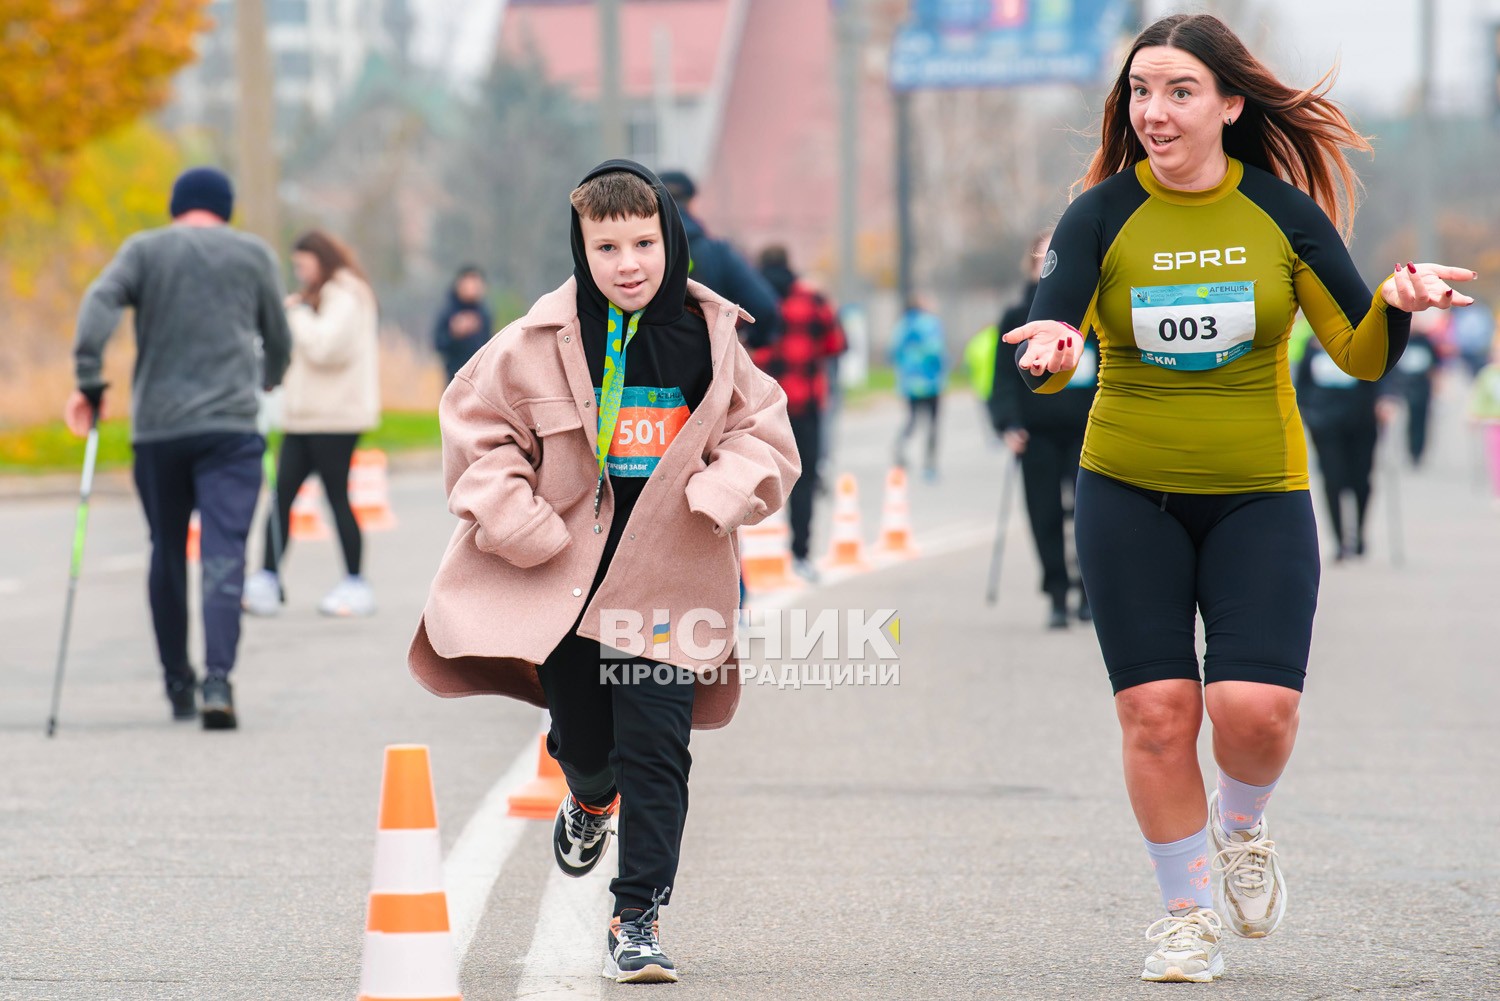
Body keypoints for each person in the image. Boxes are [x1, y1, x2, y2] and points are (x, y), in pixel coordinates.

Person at [1002, 14, 1475, 983]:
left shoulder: (1281, 214)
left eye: (1179, 91)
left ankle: (1244, 827)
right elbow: (1050, 342)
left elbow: (1358, 354)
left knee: (1253, 710)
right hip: (1126, 486)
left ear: (1228, 104)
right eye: (1140, 91)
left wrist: (1394, 305)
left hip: (1259, 489)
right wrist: (1051, 354)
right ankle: (1185, 915)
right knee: (1157, 711)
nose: (1154, 111)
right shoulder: (1100, 215)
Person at [407, 160, 798, 984]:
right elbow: (476, 432)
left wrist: (720, 490)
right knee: (588, 742)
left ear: (671, 240)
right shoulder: (534, 345)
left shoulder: (710, 339)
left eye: (644, 243)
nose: (628, 264)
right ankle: (588, 797)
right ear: (581, 250)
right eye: (607, 247)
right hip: (566, 585)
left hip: (668, 580)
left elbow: (763, 433)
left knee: (658, 747)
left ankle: (638, 915)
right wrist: (523, 523)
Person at [66, 166, 291, 730]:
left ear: (175, 207)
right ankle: (218, 681)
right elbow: (279, 336)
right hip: (231, 430)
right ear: (226, 209)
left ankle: (177, 684)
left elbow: (99, 301)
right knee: (222, 553)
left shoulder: (144, 250)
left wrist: (89, 379)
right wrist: (269, 377)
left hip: (159, 430)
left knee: (165, 549)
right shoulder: (253, 255)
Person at [243, 230, 381, 619]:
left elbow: (325, 347)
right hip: (304, 418)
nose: (300, 272)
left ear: (322, 259)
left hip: (335, 418)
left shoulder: (347, 294)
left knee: (336, 496)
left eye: (304, 264)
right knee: (282, 496)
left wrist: (295, 314)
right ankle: (267, 579)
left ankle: (355, 582)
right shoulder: (318, 296)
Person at [989, 228, 1097, 628]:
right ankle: (1056, 594)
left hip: (1088, 430)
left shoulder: (1092, 313)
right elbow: (1002, 379)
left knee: (1090, 513)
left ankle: (1089, 591)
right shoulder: (1016, 317)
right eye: (1044, 257)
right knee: (1044, 513)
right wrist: (1008, 423)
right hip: (1037, 434)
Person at [753, 245, 848, 581]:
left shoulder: (749, 299)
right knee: (804, 482)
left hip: (758, 408)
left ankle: (742, 560)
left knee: (747, 479)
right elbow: (837, 344)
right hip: (804, 405)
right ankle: (801, 554)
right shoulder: (813, 300)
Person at [658, 169, 783, 349]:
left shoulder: (638, 253)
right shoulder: (717, 252)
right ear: (693, 203)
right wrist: (749, 342)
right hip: (708, 358)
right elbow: (765, 308)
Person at [1292, 315, 1381, 561]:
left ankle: (1359, 533)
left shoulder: (1362, 339)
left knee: (1361, 481)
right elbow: (1302, 386)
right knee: (1333, 480)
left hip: (1361, 422)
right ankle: (1340, 541)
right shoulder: (1312, 345)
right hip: (1325, 425)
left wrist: (1385, 400)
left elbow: (1380, 374)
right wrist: (1308, 414)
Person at [889, 296, 946, 480]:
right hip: (930, 382)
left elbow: (893, 352)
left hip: (910, 383)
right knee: (932, 424)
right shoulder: (930, 323)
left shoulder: (902, 325)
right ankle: (930, 465)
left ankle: (900, 448)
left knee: (912, 420)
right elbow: (936, 350)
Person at [433, 264, 493, 382]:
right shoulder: (449, 312)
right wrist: (455, 333)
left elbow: (488, 346)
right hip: (454, 377)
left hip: (480, 378)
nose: (471, 288)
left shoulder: (484, 314)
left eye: (475, 284)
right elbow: (439, 344)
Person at [1468, 333, 1500, 502]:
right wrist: (1474, 414)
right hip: (1494, 422)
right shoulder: (1488, 374)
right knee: (1496, 458)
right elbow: (1479, 396)